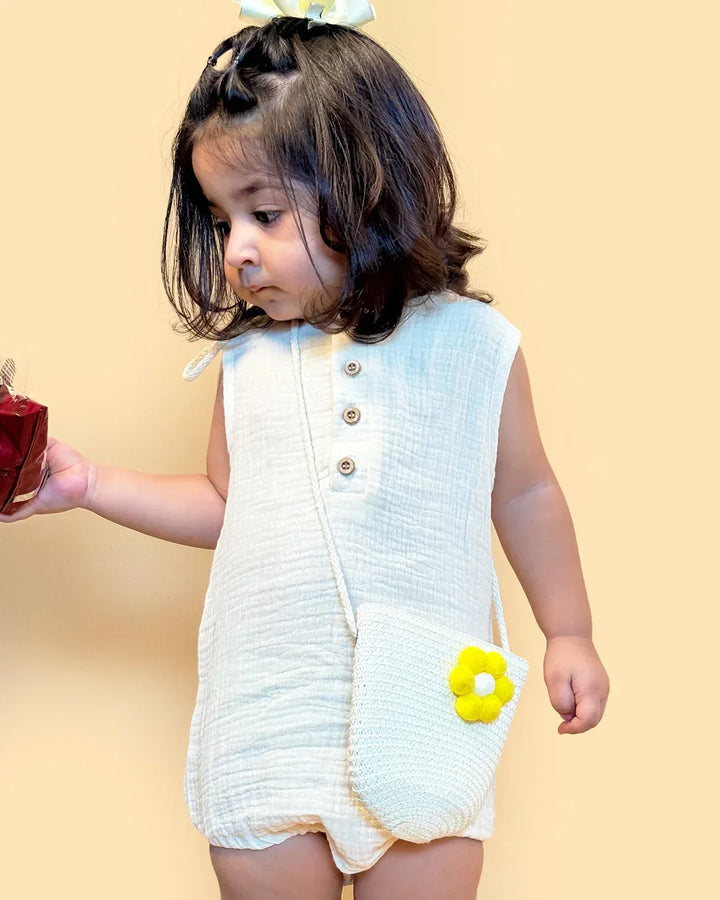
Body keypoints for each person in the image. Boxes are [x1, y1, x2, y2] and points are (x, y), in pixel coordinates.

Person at [0, 6, 610, 898]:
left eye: (266, 213)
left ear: (370, 188)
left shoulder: (475, 348)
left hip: (425, 706)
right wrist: (94, 485)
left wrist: (570, 630)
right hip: (271, 709)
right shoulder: (246, 362)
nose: (238, 251)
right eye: (221, 221)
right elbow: (225, 501)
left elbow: (523, 495)